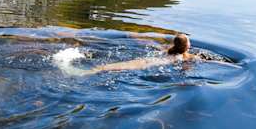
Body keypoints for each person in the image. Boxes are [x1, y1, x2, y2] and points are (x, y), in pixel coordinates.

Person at [85, 33, 233, 74]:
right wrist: (232, 65)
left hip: (151, 59)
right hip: (159, 64)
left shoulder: (167, 50)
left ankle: (93, 69)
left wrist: (135, 36)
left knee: (119, 66)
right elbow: (210, 62)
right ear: (187, 46)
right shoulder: (186, 57)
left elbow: (151, 45)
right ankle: (91, 71)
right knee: (124, 68)